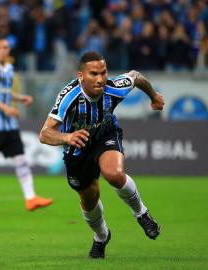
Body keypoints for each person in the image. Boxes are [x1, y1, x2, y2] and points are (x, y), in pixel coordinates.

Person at [39, 51, 164, 259]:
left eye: (103, 72)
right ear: (81, 76)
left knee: (114, 174)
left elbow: (136, 76)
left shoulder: (114, 87)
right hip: (77, 148)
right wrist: (67, 137)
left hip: (105, 134)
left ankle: (142, 214)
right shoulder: (69, 96)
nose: (100, 79)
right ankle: (101, 236)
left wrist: (153, 96)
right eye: (94, 74)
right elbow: (44, 134)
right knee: (90, 199)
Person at [0, 35, 53, 212]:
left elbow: (3, 91)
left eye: (5, 47)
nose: (3, 50)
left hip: (9, 124)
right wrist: (5, 108)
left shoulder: (8, 68)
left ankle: (31, 198)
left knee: (21, 159)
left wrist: (19, 98)